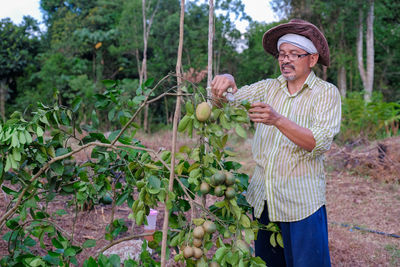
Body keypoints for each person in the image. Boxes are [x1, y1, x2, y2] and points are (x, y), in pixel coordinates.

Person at [211, 19, 341, 267]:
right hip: (263, 201)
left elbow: (319, 142)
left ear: (312, 60)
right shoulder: (268, 88)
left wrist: (278, 120)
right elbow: (227, 102)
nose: (286, 60)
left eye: (294, 54)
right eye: (282, 54)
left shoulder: (326, 93)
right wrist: (225, 80)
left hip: (301, 203)